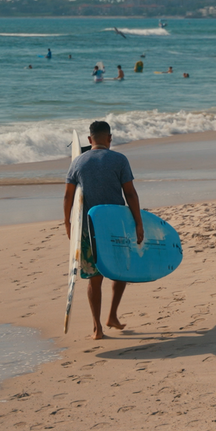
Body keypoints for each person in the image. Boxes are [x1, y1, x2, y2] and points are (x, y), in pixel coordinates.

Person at [63, 120, 143, 339]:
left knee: (94, 278)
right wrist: (138, 222)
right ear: (110, 138)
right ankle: (113, 315)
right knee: (120, 272)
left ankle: (97, 327)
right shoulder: (119, 160)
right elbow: (131, 193)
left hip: (89, 227)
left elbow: (69, 196)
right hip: (116, 226)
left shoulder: (77, 162)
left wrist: (69, 224)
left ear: (89, 140)